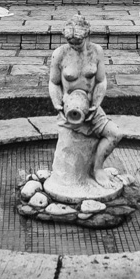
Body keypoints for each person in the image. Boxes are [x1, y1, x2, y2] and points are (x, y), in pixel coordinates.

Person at [48, 16, 123, 187]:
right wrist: (57, 103)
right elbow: (54, 82)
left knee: (115, 134)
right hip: (69, 111)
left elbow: (101, 80)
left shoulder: (96, 51)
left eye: (78, 42)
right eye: (70, 42)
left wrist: (96, 103)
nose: (73, 45)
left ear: (87, 35)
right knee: (68, 169)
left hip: (91, 108)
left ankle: (97, 169)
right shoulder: (60, 54)